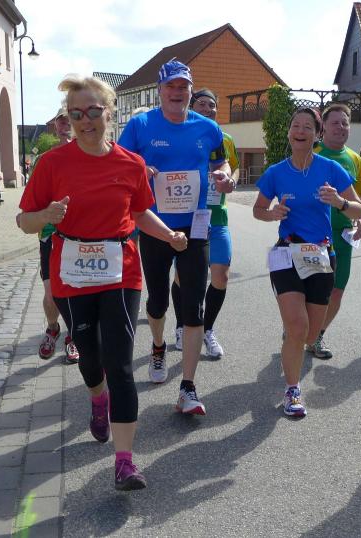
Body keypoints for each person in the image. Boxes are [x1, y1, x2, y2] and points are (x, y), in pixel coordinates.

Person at [18, 74, 188, 490]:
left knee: (120, 363)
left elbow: (141, 212)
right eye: (75, 114)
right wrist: (46, 216)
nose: (84, 121)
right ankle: (98, 398)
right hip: (71, 274)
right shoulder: (52, 164)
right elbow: (24, 220)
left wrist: (168, 234)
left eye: (93, 111)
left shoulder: (130, 163)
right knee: (90, 358)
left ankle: (125, 461)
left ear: (109, 113)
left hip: (120, 271)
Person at [118, 60, 233, 416]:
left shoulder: (208, 128)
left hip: (196, 226)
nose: (177, 92)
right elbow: (119, 163)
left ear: (190, 91)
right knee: (157, 301)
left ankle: (188, 387)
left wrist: (225, 176)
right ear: (160, 90)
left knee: (194, 305)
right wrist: (141, 168)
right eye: (171, 86)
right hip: (154, 226)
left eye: (183, 87)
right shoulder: (140, 125)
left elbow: (220, 163)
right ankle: (157, 345)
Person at [253, 107, 361, 417]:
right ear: (289, 132)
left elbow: (358, 209)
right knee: (298, 326)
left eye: (307, 127)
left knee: (310, 335)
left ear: (317, 134)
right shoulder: (276, 172)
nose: (300, 131)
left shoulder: (331, 169)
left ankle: (294, 335)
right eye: (295, 125)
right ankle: (292, 390)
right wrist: (272, 214)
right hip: (286, 252)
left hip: (321, 255)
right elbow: (258, 209)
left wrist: (339, 202)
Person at [170, 88, 238, 358]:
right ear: (191, 106)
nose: (208, 109)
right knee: (182, 276)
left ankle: (207, 329)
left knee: (220, 275)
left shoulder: (224, 138)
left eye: (212, 105)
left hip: (217, 217)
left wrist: (229, 180)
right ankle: (181, 326)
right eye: (202, 105)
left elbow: (231, 166)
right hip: (186, 218)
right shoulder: (181, 135)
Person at [309, 103, 361, 359]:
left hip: (342, 237)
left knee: (337, 291)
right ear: (323, 127)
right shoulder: (311, 152)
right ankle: (299, 326)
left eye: (345, 123)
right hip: (311, 235)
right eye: (335, 122)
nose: (341, 127)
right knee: (310, 290)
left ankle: (317, 335)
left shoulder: (355, 159)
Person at [36, 109, 79, 364]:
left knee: (75, 292)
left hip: (80, 235)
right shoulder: (45, 159)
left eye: (70, 120)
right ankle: (53, 328)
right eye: (62, 121)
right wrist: (44, 214)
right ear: (56, 126)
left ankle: (73, 336)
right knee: (51, 294)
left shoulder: (89, 156)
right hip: (50, 235)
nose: (66, 125)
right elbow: (33, 202)